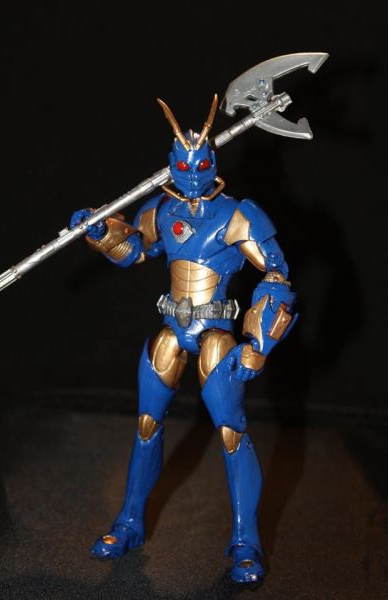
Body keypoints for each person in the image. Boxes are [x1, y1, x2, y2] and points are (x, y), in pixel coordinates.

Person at [70, 95, 297, 585]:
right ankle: (129, 523)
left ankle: (246, 543)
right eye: (183, 165)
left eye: (199, 165)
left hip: (216, 333)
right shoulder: (161, 209)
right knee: (146, 425)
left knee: (231, 433)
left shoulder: (238, 215)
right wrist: (101, 231)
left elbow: (277, 274)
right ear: (172, 164)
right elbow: (136, 251)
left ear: (212, 162)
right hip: (172, 330)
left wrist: (258, 343)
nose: (192, 174)